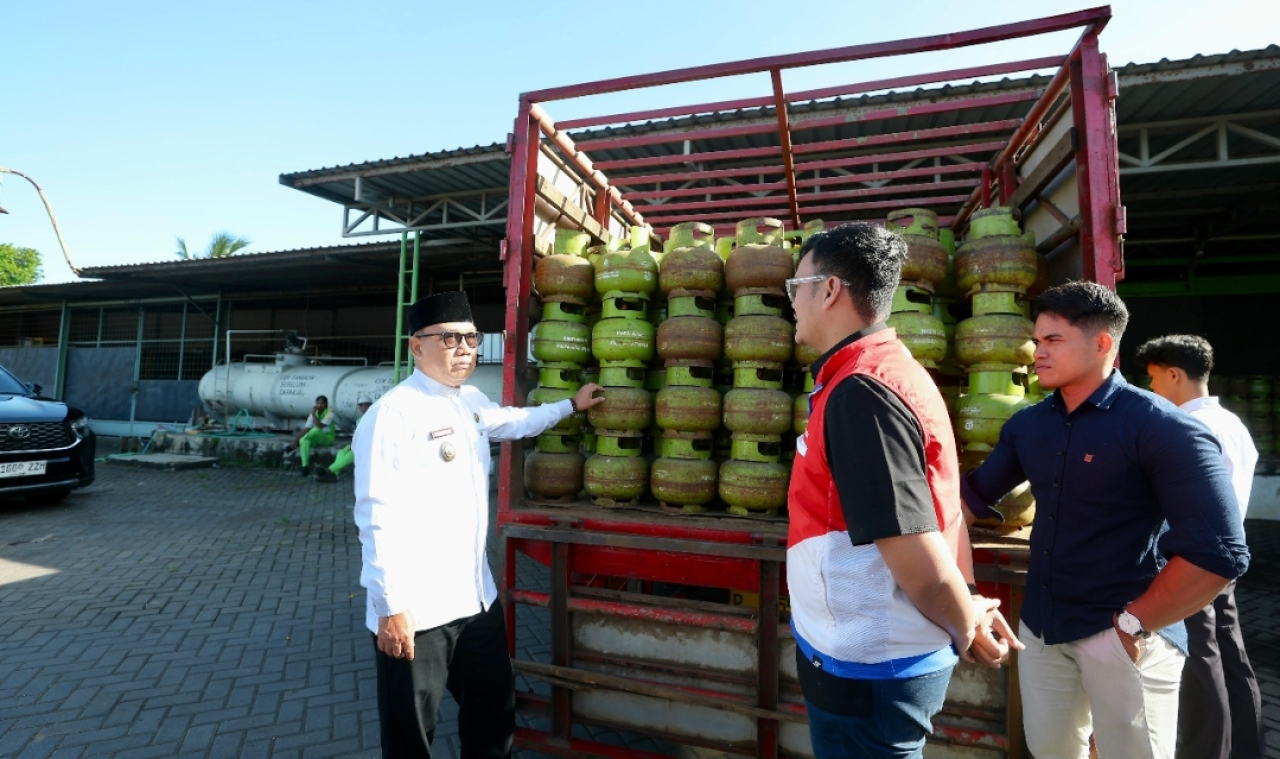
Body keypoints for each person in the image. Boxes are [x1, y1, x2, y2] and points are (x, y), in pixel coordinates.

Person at [961, 282, 1251, 759]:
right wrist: (960, 591)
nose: (1037, 352)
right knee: (1052, 752)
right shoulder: (1029, 426)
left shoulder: (1164, 428)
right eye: (1038, 340)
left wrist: (1133, 625)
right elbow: (965, 502)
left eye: (1053, 339)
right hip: (1042, 630)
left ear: (1101, 344)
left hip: (1125, 635)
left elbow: (1220, 552)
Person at [786, 223, 1020, 759]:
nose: (792, 301)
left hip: (869, 661)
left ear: (829, 290)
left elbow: (912, 546)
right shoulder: (879, 372)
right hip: (869, 654)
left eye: (796, 287)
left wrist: (966, 625)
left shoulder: (862, 392)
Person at [353, 291, 603, 759]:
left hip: (474, 601)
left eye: (471, 337)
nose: (465, 347)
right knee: (411, 735)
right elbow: (375, 513)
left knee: (493, 715)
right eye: (450, 338)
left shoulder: (467, 400)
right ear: (416, 346)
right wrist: (390, 606)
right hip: (416, 611)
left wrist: (570, 404)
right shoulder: (394, 413)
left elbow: (515, 421)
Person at [1135, 334, 1263, 759]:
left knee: (1198, 662)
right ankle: (1246, 746)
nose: (1152, 390)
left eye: (1153, 380)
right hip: (1226, 558)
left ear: (1174, 375)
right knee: (1230, 658)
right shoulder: (1233, 424)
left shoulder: (1187, 428)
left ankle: (1206, 752)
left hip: (1190, 561)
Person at [316, 395, 372, 483]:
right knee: (341, 452)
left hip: (368, 446)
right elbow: (357, 435)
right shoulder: (359, 420)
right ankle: (334, 475)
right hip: (357, 443)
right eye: (361, 405)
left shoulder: (373, 418)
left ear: (370, 406)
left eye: (366, 405)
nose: (363, 407)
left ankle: (327, 470)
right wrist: (352, 444)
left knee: (351, 455)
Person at [288, 395, 335, 476]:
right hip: (316, 438)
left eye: (322, 404)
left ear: (326, 404)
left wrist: (313, 414)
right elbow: (306, 429)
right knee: (305, 441)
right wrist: (296, 440)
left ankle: (298, 443)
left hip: (327, 438)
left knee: (316, 429)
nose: (319, 405)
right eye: (318, 403)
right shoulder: (314, 413)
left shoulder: (330, 414)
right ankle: (305, 467)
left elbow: (319, 426)